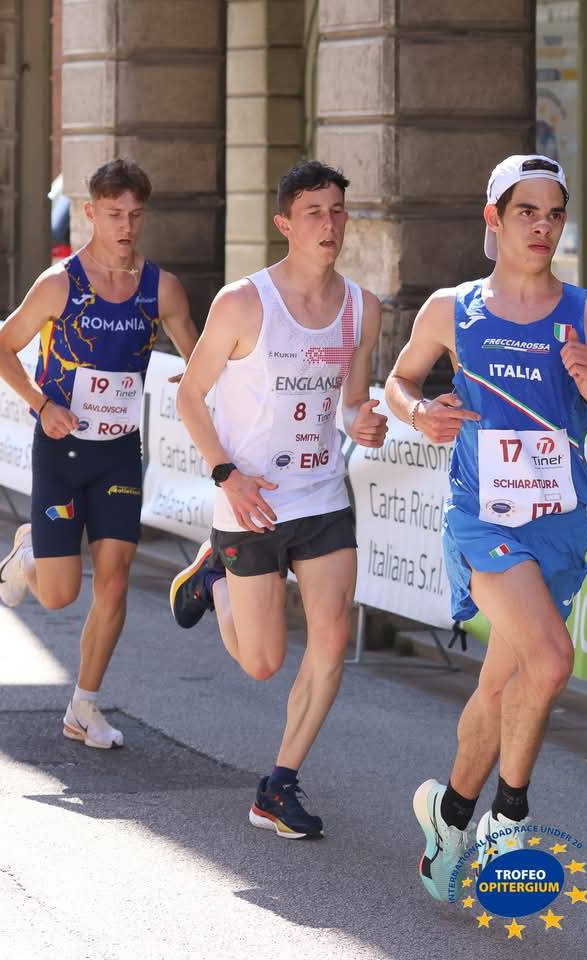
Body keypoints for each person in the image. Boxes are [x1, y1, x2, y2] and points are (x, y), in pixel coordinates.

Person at [384, 155, 587, 901]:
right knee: (551, 660)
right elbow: (399, 381)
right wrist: (420, 413)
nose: (542, 227)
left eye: (554, 214)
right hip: (482, 520)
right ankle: (509, 819)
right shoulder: (452, 309)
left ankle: (448, 815)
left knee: (502, 687)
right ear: (493, 218)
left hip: (558, 526)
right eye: (527, 212)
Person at [166, 160, 388, 839]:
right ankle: (214, 577)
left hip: (321, 497)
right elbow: (189, 395)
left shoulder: (362, 309)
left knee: (332, 639)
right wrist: (226, 475)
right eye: (314, 212)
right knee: (261, 662)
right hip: (250, 501)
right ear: (285, 224)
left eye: (337, 210)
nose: (329, 224)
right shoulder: (243, 303)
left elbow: (350, 403)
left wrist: (363, 424)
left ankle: (278, 785)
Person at [0, 158, 199, 749]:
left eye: (135, 215)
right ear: (90, 214)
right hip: (62, 451)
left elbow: (200, 356)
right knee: (60, 594)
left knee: (115, 579)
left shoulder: (161, 289)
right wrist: (41, 405)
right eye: (113, 214)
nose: (125, 226)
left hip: (119, 453)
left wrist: (204, 375)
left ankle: (83, 706)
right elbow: (1, 350)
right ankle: (29, 546)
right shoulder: (59, 284)